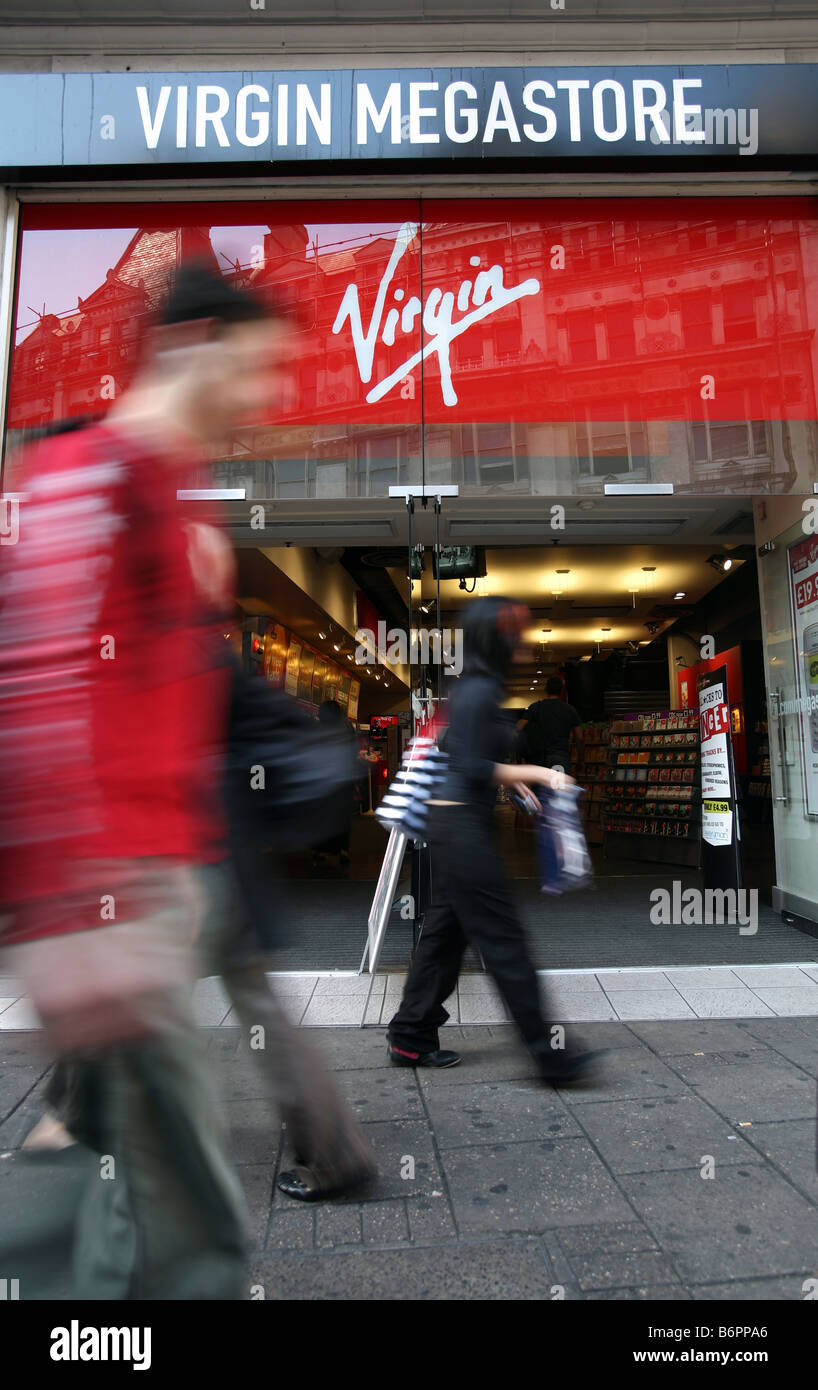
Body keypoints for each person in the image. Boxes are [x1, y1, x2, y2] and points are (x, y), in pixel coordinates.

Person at [0, 261, 291, 1299]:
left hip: (151, 883)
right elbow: (37, 687)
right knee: (182, 1209)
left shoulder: (166, 488)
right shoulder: (100, 471)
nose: (265, 398)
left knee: (117, 1173)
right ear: (197, 341)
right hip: (116, 890)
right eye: (257, 369)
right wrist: (77, 895)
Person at [386, 597, 602, 1083]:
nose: (521, 638)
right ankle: (552, 1058)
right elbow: (466, 764)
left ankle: (410, 1035)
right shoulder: (480, 690)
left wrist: (508, 779)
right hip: (462, 828)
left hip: (454, 824)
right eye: (514, 630)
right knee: (505, 941)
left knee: (446, 936)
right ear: (496, 637)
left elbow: (457, 751)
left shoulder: (472, 688)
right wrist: (539, 773)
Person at [517, 675, 582, 773]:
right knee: (558, 787)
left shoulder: (536, 707)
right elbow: (579, 737)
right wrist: (580, 760)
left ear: (546, 689)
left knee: (539, 787)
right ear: (561, 690)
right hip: (560, 757)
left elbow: (519, 727)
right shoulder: (569, 710)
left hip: (538, 758)